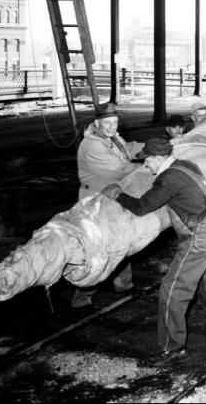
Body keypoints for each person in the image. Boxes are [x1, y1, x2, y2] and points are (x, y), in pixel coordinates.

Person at [102, 137, 206, 368]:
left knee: (172, 290)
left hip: (199, 236)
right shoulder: (185, 164)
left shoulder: (168, 178)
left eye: (147, 161)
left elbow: (142, 207)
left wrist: (117, 194)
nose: (145, 166)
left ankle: (172, 348)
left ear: (158, 158)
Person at [72, 102, 144, 309]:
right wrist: (149, 165)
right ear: (97, 123)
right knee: (101, 248)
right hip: (95, 203)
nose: (112, 127)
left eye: (115, 122)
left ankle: (124, 284)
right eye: (107, 123)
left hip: (112, 199)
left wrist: (149, 147)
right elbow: (119, 170)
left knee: (122, 239)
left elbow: (127, 148)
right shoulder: (93, 145)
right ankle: (81, 298)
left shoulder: (111, 137)